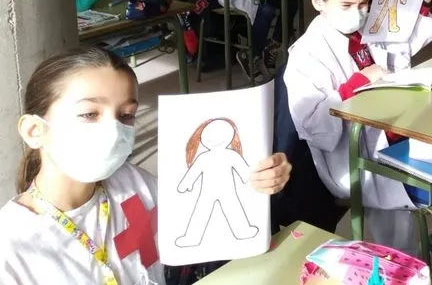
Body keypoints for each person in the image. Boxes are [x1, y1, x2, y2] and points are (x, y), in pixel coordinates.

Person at [0, 46, 291, 284]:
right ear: (34, 131)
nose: (113, 130)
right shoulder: (12, 249)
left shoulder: (135, 185)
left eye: (126, 115)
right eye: (89, 113)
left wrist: (260, 181)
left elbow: (210, 222)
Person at [283, 0, 432, 281]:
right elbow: (315, 127)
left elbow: (398, 50)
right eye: (347, 5)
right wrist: (358, 82)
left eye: (363, 4)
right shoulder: (307, 54)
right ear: (318, 1)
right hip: (358, 158)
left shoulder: (364, 30)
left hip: (397, 134)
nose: (358, 13)